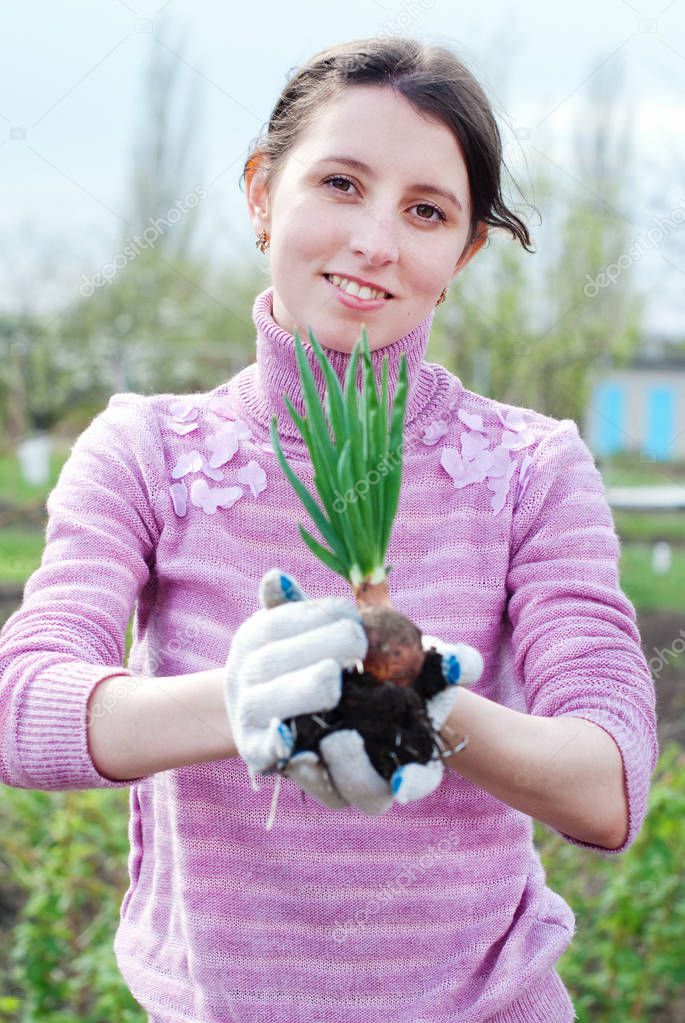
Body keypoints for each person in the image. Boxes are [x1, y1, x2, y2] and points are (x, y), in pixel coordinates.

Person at [0, 35, 658, 1023]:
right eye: (341, 184)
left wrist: (419, 693)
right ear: (263, 191)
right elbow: (23, 710)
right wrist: (243, 701)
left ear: (464, 251)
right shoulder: (145, 450)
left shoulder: (530, 468)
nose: (375, 243)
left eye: (426, 211)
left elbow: (609, 782)